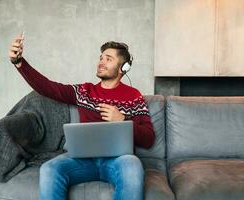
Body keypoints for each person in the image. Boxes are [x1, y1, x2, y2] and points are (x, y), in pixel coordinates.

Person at [9, 33, 155, 200]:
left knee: (132, 166)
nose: (101, 61)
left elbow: (149, 139)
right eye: (101, 57)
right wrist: (19, 63)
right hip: (82, 161)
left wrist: (122, 120)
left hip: (118, 161)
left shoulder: (134, 96)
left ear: (123, 67)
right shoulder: (84, 91)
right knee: (49, 169)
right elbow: (47, 87)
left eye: (108, 58)